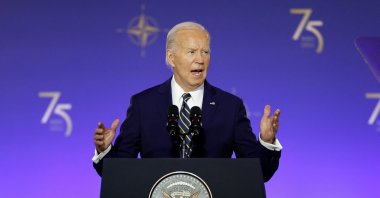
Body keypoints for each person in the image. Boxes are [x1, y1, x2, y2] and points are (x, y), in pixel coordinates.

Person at [92, 21, 282, 182]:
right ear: (171, 57)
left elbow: (259, 173)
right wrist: (105, 150)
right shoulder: (144, 105)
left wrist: (266, 142)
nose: (200, 59)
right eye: (191, 52)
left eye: (205, 52)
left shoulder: (230, 107)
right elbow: (119, 173)